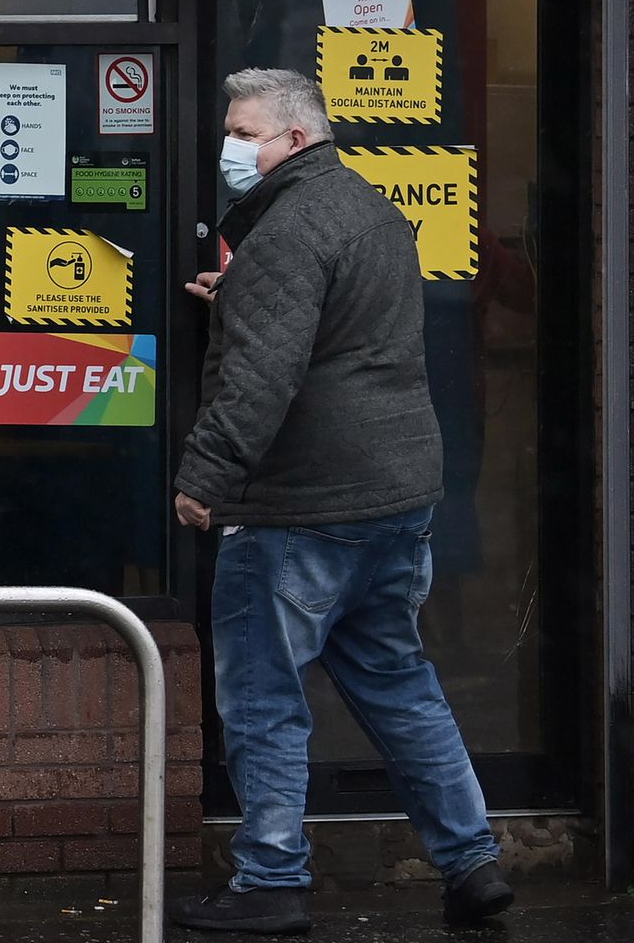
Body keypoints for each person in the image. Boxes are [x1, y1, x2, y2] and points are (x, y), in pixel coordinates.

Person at [170, 68, 511, 934]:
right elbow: (339, 331)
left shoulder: (287, 230)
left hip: (301, 506)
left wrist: (204, 476)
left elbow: (261, 376)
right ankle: (472, 865)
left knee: (262, 697)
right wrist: (241, 300)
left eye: (245, 133)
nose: (231, 148)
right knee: (400, 686)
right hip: (393, 498)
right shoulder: (371, 208)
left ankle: (271, 881)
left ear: (295, 138)